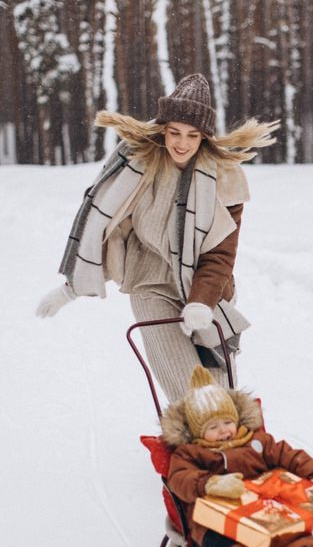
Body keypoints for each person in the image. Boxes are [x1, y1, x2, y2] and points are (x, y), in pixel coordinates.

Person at [36, 74, 278, 402]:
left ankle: (231, 448)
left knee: (222, 396)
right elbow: (106, 229)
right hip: (149, 283)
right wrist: (70, 289)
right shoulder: (137, 166)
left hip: (206, 288)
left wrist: (200, 300)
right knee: (194, 396)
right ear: (163, 128)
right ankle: (198, 442)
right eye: (175, 132)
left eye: (192, 135)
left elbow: (220, 254)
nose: (182, 143)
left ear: (205, 136)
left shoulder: (225, 178)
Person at [161, 364, 313, 547]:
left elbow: (287, 454)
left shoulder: (255, 441)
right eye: (212, 427)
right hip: (216, 520)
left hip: (262, 509)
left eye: (227, 423)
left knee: (291, 533)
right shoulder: (190, 453)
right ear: (198, 431)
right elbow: (179, 479)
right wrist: (210, 483)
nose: (223, 432)